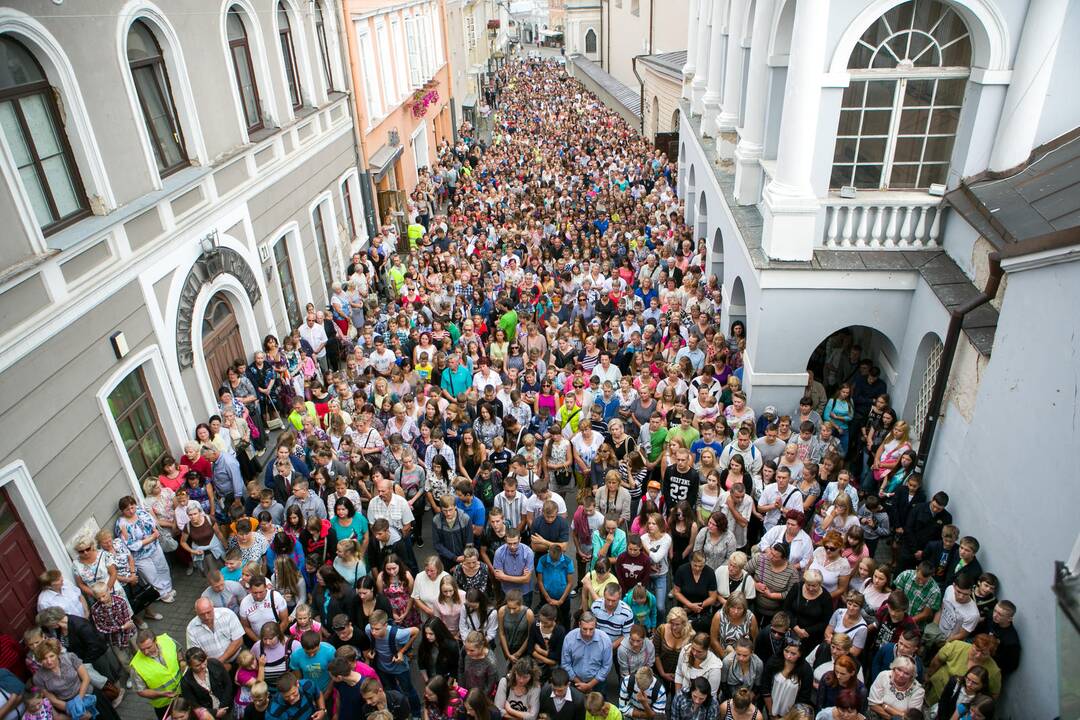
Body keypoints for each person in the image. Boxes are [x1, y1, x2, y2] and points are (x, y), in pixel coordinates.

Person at [364, 610, 421, 715]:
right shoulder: (368, 629)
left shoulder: (398, 634)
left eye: (377, 629)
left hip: (400, 668)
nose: (373, 632)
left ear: (385, 625)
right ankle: (400, 707)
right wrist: (372, 651)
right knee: (393, 690)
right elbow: (374, 642)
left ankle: (416, 713)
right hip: (383, 668)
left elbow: (416, 631)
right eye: (372, 628)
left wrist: (401, 651)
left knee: (408, 691)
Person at [129, 630, 184, 719]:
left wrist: (181, 660)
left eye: (149, 647)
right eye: (142, 649)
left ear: (155, 641)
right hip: (164, 704)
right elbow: (141, 691)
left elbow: (177, 648)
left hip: (184, 690)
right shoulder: (136, 666)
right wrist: (161, 694)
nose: (146, 652)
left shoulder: (167, 640)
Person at [560, 612, 613, 693]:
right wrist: (579, 683)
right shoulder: (569, 638)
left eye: (591, 629)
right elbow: (566, 664)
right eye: (584, 629)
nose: (588, 633)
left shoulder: (605, 640)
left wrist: (590, 685)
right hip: (575, 681)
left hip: (597, 683)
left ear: (595, 625)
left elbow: (606, 666)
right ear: (579, 625)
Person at [179, 647, 234, 719]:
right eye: (197, 665)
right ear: (190, 666)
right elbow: (193, 705)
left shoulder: (215, 664)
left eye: (204, 661)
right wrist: (214, 713)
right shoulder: (186, 681)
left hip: (226, 709)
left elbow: (228, 685)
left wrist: (223, 708)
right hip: (206, 716)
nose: (203, 666)